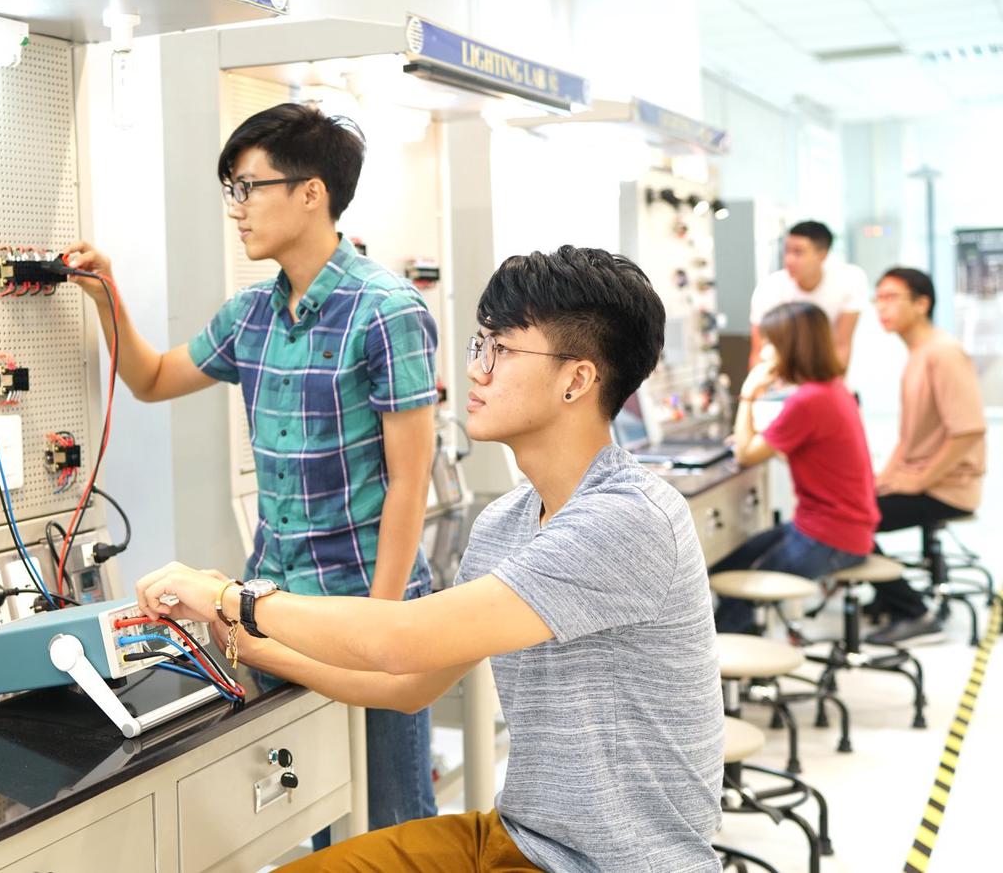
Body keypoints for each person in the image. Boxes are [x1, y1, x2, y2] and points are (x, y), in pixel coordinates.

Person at [135, 247, 723, 873]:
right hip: (518, 839)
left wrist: (233, 599)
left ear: (576, 380)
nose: (475, 370)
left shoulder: (629, 518)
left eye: (502, 350)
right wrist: (252, 647)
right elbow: (411, 686)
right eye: (479, 345)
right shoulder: (507, 522)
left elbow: (401, 642)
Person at [62, 103, 440, 834]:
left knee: (392, 824)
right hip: (273, 610)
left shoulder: (385, 310)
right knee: (317, 811)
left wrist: (384, 624)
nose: (235, 208)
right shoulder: (250, 315)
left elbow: (410, 481)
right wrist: (106, 293)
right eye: (230, 190)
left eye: (248, 187)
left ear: (311, 192)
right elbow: (151, 379)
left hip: (369, 605)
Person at [711, 302, 878, 634]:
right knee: (729, 565)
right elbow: (785, 448)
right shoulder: (831, 390)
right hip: (842, 529)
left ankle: (728, 660)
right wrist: (757, 439)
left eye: (770, 345)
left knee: (740, 593)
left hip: (829, 536)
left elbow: (745, 456)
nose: (764, 354)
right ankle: (745, 647)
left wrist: (749, 394)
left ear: (792, 347)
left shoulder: (808, 401)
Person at [865, 267, 987, 645]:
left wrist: (919, 480)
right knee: (854, 506)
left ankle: (913, 611)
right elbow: (909, 438)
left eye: (891, 297)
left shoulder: (943, 353)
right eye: (878, 298)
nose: (881, 307)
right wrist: (883, 479)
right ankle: (888, 595)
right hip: (925, 480)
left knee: (850, 521)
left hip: (947, 487)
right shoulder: (918, 354)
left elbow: (968, 431)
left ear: (922, 304)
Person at [749, 220, 869, 372]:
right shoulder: (769, 288)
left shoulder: (849, 281)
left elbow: (842, 345)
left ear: (822, 255)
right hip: (782, 373)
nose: (789, 260)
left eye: (798, 252)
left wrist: (832, 383)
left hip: (826, 371)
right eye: (787, 251)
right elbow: (758, 350)